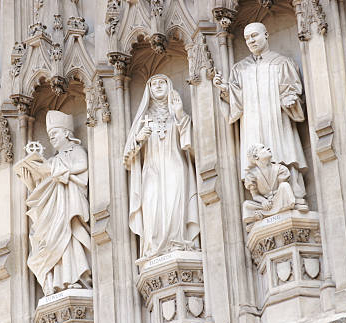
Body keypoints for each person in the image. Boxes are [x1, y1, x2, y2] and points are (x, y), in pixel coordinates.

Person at [213, 22, 308, 205]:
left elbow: (292, 89)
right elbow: (236, 102)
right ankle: (263, 198)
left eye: (254, 35)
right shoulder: (239, 69)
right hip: (252, 123)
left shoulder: (282, 62)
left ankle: (291, 194)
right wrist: (224, 89)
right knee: (258, 155)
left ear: (266, 35)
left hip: (276, 119)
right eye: (247, 38)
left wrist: (290, 99)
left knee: (282, 150)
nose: (251, 41)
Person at [123, 74, 200, 263]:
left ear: (169, 86)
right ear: (148, 89)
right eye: (153, 84)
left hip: (175, 166)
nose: (157, 86)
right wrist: (140, 138)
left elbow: (194, 148)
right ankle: (154, 250)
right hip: (152, 171)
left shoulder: (177, 113)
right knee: (152, 206)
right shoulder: (143, 119)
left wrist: (180, 113)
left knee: (174, 206)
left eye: (161, 83)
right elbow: (127, 158)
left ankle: (178, 243)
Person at [26, 110, 92, 296]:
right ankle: (60, 280)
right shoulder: (54, 159)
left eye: (54, 134)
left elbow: (82, 166)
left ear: (66, 133)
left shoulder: (76, 151)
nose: (51, 138)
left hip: (70, 205)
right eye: (49, 135)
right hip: (54, 211)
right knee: (53, 242)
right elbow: (43, 186)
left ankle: (75, 277)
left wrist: (54, 169)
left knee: (69, 239)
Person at [242, 144, 297, 228]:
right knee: (246, 205)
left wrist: (273, 198)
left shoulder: (280, 168)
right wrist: (263, 201)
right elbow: (255, 195)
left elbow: (281, 189)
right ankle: (271, 211)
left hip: (278, 198)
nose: (268, 148)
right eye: (263, 148)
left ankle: (263, 215)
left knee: (285, 186)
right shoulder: (251, 175)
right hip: (265, 205)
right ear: (256, 156)